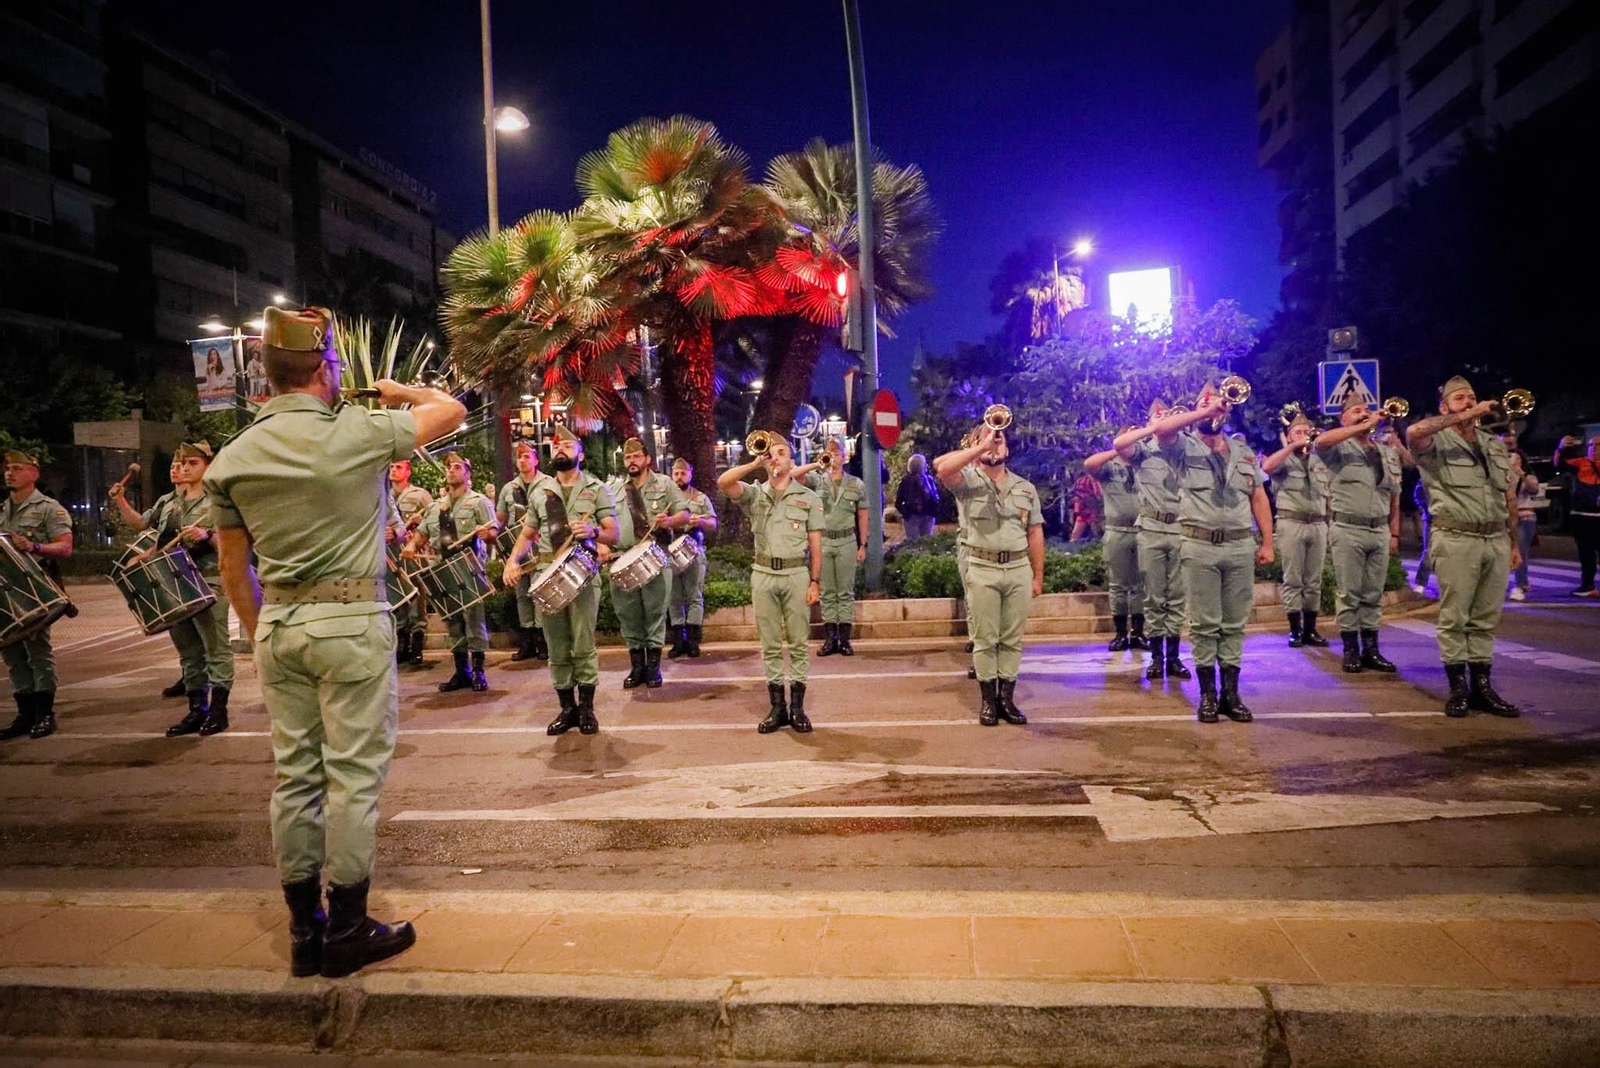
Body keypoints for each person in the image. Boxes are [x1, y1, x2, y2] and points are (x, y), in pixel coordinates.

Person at [204, 303, 464, 978]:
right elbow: (451, 409)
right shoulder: (359, 430)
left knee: (294, 780)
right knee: (352, 780)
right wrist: (396, 391)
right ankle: (347, 928)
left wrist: (266, 633)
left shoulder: (232, 457)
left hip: (279, 627)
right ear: (324, 367)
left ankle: (303, 930)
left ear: (266, 372)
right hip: (350, 624)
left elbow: (236, 569)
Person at [1144, 386, 1275, 723]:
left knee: (1234, 623)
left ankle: (1231, 694)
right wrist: (1203, 411)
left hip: (1239, 545)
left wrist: (1268, 542)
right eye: (1208, 407)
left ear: (1228, 413)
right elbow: (1160, 430)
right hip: (1199, 545)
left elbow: (1258, 496)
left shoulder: (1242, 451)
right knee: (1204, 623)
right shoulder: (1184, 446)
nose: (1215, 412)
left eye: (1219, 408)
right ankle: (1208, 696)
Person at [1406, 375, 1522, 717]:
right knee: (1455, 616)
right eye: (1460, 399)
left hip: (1495, 538)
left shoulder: (1492, 443)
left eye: (1472, 397)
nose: (1470, 403)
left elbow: (1508, 495)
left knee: (1486, 618)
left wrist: (1514, 543)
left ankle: (1482, 687)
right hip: (1456, 537)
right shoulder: (1434, 441)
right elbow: (1413, 433)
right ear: (1445, 407)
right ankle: (1458, 688)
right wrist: (1460, 417)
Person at [109, 440, 235, 735]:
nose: (184, 468)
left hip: (209, 581)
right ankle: (196, 709)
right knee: (189, 651)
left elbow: (235, 544)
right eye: (182, 464)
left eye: (193, 463)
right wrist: (121, 503)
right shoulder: (170, 502)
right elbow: (147, 530)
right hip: (175, 584)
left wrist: (206, 536)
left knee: (215, 649)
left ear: (207, 465)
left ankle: (219, 711)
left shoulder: (219, 500)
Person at [501, 425, 618, 735]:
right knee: (556, 647)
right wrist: (512, 561)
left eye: (567, 445)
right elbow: (528, 532)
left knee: (582, 643)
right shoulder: (541, 491)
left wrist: (593, 532)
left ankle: (588, 709)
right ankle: (567, 708)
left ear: (579, 453)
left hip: (582, 575)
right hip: (546, 576)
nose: (560, 450)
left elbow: (613, 532)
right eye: (556, 446)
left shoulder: (596, 488)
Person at [935, 421, 1044, 727]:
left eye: (1000, 440)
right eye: (990, 440)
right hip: (982, 567)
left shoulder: (1025, 487)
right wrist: (980, 446)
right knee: (985, 639)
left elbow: (1035, 533)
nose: (996, 443)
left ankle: (1006, 699)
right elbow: (942, 469)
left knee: (1012, 639)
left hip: (1018, 567)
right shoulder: (967, 481)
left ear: (1008, 448)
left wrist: (1038, 576)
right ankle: (987, 701)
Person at [719, 437, 823, 734]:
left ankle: (798, 708)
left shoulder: (808, 498)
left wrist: (815, 581)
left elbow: (816, 547)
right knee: (770, 644)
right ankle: (777, 708)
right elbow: (724, 482)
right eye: (771, 454)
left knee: (799, 643)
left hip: (795, 574)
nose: (776, 458)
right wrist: (754, 463)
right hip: (763, 573)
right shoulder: (754, 495)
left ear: (793, 462)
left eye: (782, 453)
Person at [1313, 397, 1404, 673]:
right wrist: (1362, 425)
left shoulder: (1386, 452)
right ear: (1343, 419)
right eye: (1356, 411)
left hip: (1379, 529)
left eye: (1366, 410)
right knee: (1349, 592)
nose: (1364, 414)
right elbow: (1321, 442)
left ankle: (1371, 649)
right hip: (1349, 528)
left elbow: (1394, 497)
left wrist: (1395, 534)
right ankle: (1351, 649)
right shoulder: (1339, 447)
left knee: (1373, 594)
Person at [1114, 402, 1192, 682]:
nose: (1164, 420)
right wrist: (1151, 428)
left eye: (1168, 416)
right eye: (1158, 416)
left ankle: (1174, 657)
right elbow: (1119, 443)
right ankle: (1157, 657)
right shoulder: (1143, 450)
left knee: (1177, 597)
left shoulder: (1186, 449)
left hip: (1182, 528)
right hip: (1152, 529)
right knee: (1155, 596)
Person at [1, 449, 73, 741]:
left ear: (34, 473)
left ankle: (45, 713)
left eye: (17, 468)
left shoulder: (49, 509)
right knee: (11, 651)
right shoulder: (3, 510)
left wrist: (33, 547)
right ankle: (25, 712)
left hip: (36, 589)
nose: (10, 473)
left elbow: (65, 548)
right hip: (7, 591)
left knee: (37, 652)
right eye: (7, 468)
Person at [411, 453, 496, 693]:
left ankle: (479, 671)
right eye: (449, 467)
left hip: (468, 565)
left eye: (457, 467)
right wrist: (411, 546)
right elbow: (424, 532)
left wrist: (486, 535)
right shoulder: (436, 506)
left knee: (473, 619)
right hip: (442, 565)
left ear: (468, 474)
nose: (451, 471)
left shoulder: (478, 502)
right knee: (452, 621)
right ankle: (462, 671)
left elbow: (493, 531)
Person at [609, 438, 689, 689]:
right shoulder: (614, 488)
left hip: (655, 556)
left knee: (655, 612)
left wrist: (668, 522)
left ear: (647, 459)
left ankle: (653, 667)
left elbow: (684, 513)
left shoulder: (664, 484)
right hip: (623, 557)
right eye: (627, 457)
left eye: (636, 457)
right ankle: (637, 666)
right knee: (628, 614)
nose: (631, 461)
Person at [1260, 411, 1331, 649]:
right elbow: (1267, 467)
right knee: (1293, 579)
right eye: (1297, 433)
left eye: (1306, 432)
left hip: (1318, 523)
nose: (1303, 436)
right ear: (1289, 437)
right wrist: (1291, 448)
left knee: (1313, 579)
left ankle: (1311, 629)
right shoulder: (1283, 458)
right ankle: (1295, 630)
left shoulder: (1319, 459)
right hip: (1292, 523)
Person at [1083, 430, 1148, 652]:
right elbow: (1089, 464)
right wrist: (1117, 450)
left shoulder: (1145, 464)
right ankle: (1121, 633)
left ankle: (1139, 633)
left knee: (1140, 585)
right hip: (1117, 530)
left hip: (1143, 530)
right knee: (1119, 585)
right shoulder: (1110, 467)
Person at [801, 439, 867, 656]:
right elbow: (793, 475)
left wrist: (863, 544)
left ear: (844, 457)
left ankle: (845, 640)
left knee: (845, 591)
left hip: (847, 540)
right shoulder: (817, 480)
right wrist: (817, 464)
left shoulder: (856, 484)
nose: (833, 457)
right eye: (829, 453)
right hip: (824, 541)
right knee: (827, 591)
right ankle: (830, 639)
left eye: (837, 453)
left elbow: (863, 514)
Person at [497, 442, 554, 662]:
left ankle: (543, 641)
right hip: (518, 547)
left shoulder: (548, 484)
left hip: (541, 547)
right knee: (522, 594)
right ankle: (527, 640)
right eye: (519, 457)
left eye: (527, 457)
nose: (523, 461)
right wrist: (489, 530)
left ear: (536, 460)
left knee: (539, 590)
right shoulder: (508, 489)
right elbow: (500, 519)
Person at [666, 457, 717, 658]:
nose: (679, 477)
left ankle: (694, 640)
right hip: (670, 550)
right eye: (676, 473)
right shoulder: (666, 498)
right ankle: (679, 640)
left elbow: (713, 524)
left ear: (690, 474)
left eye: (683, 473)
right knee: (673, 597)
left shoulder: (701, 499)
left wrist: (701, 521)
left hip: (693, 549)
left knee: (694, 595)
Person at [387, 460, 435, 665]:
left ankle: (416, 643)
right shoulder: (384, 494)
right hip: (392, 554)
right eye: (391, 467)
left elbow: (434, 518)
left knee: (416, 598)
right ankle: (401, 643)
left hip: (413, 553)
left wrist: (419, 526)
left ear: (408, 471)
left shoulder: (420, 495)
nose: (394, 471)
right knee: (398, 598)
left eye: (398, 467)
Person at [1556, 435, 1599, 597]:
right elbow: (1560, 465)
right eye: (1591, 445)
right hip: (1582, 517)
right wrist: (1562, 447)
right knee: (1586, 553)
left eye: (1598, 445)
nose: (1594, 449)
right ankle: (1587, 585)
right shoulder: (1581, 463)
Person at [1508, 449, 1541, 601]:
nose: (1512, 460)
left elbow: (1534, 490)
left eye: (1516, 458)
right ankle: (1521, 582)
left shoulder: (1528, 475)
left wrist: (1521, 474)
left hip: (1525, 516)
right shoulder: (1502, 476)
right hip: (1507, 517)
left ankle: (1519, 585)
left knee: (1520, 550)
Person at [895, 453, 940, 542]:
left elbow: (935, 496)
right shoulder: (906, 481)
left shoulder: (928, 479)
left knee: (925, 542)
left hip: (927, 514)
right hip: (913, 515)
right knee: (914, 542)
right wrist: (906, 513)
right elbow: (898, 500)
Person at [1068, 468, 1102, 542]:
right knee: (1075, 535)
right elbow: (1077, 498)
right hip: (1084, 512)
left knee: (1097, 534)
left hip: (1094, 512)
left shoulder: (1097, 481)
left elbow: (1099, 495)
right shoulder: (1081, 481)